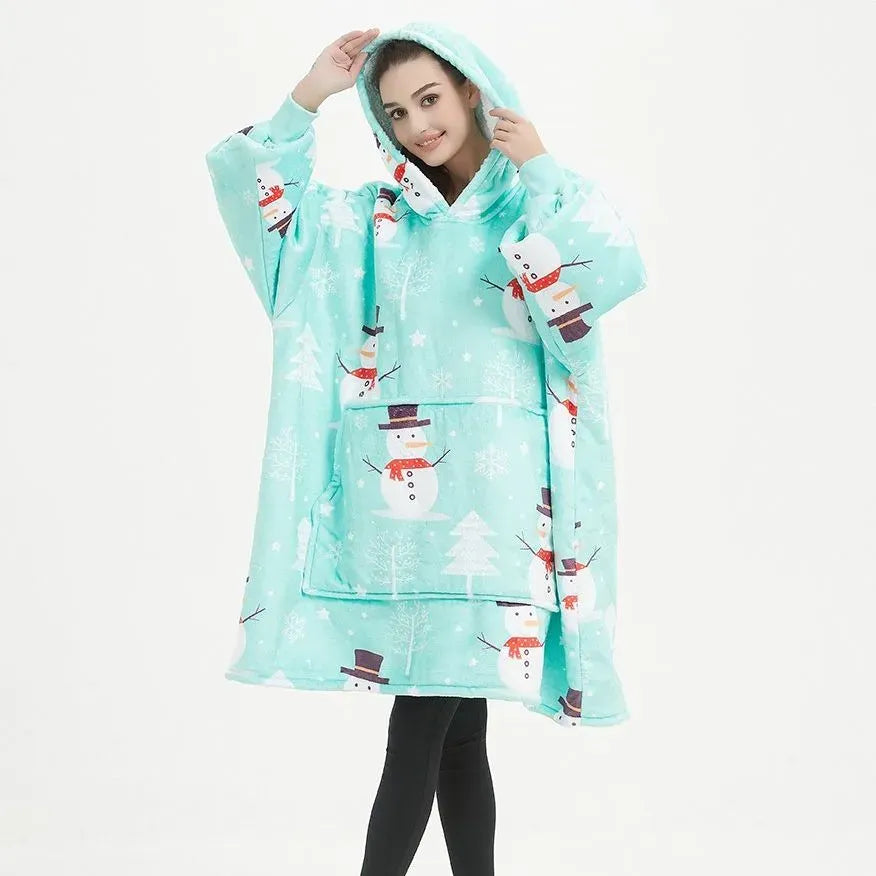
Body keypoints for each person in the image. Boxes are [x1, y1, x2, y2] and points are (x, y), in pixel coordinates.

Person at [205, 20, 648, 876]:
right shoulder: (369, 222)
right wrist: (308, 97)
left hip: (509, 518)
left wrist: (543, 166)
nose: (418, 125)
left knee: (442, 733)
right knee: (436, 733)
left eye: (431, 98)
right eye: (397, 112)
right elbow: (268, 221)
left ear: (473, 91)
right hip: (403, 530)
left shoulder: (532, 209)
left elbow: (609, 271)